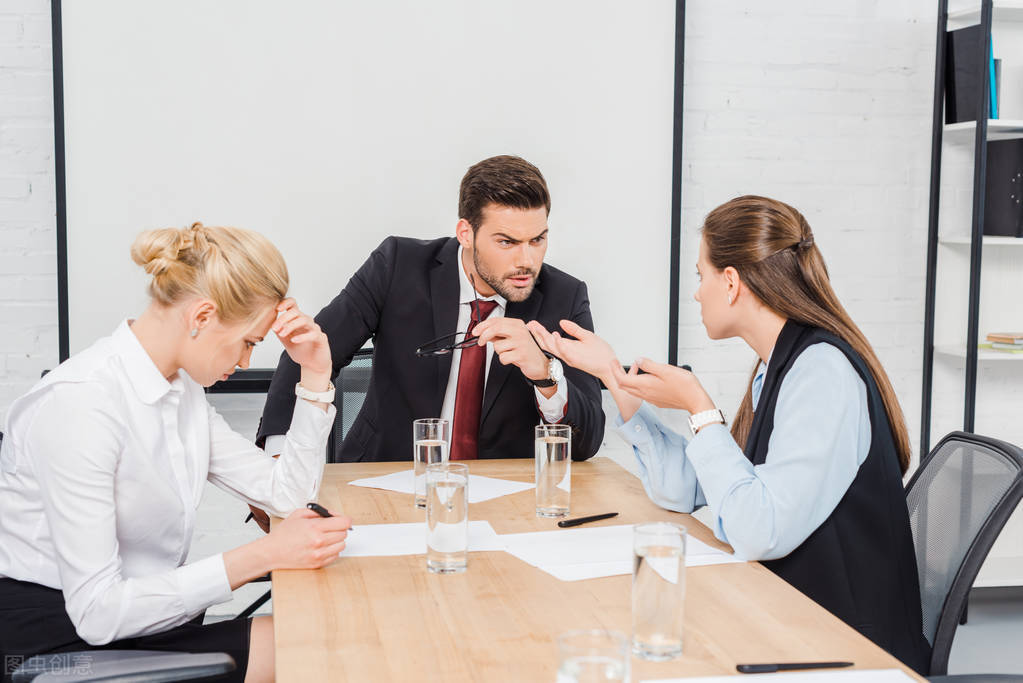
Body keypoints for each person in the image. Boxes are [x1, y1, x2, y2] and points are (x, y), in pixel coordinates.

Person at [530, 195, 931, 673]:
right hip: (788, 616)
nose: (697, 292)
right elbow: (688, 490)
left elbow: (759, 530)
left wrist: (700, 408)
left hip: (842, 646)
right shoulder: (776, 366)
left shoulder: (821, 372)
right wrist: (613, 376)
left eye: (701, 275)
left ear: (732, 282)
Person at [0, 223, 352, 683]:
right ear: (202, 317)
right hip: (61, 643)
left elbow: (285, 495)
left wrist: (315, 375)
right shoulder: (82, 405)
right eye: (248, 342)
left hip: (145, 620)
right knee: (308, 655)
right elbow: (97, 614)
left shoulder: (180, 390)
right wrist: (261, 556)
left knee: (318, 638)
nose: (247, 362)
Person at [257, 155, 605, 469]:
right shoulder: (397, 266)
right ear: (465, 233)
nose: (526, 261)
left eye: (537, 240)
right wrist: (278, 459)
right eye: (506, 242)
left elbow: (587, 442)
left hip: (503, 495)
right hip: (385, 476)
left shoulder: (565, 297)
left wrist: (546, 374)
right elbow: (312, 349)